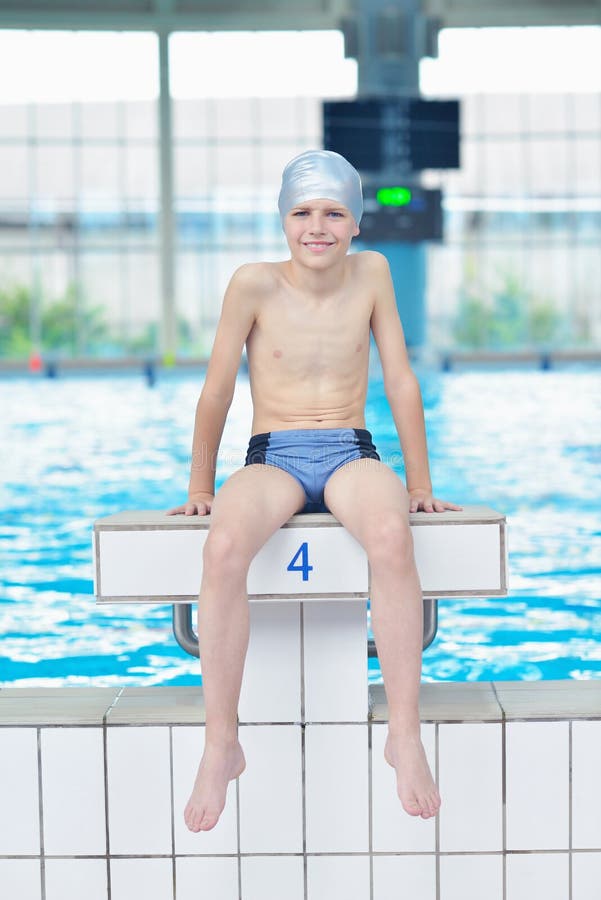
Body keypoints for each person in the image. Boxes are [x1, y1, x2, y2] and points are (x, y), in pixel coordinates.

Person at [168, 149, 462, 832]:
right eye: (302, 212)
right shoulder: (252, 284)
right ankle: (222, 743)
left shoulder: (373, 275)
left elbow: (399, 378)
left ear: (356, 223)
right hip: (272, 453)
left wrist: (418, 483)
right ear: (283, 221)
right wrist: (198, 485)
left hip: (349, 450)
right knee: (221, 552)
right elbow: (216, 389)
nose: (317, 226)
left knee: (391, 537)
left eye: (333, 212)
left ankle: (403, 733)